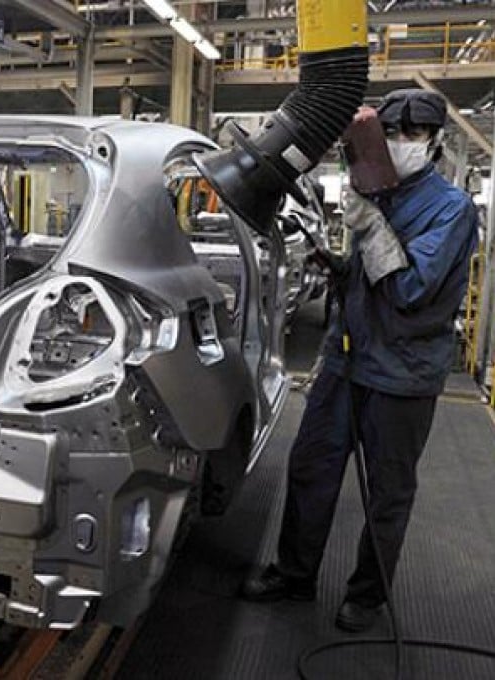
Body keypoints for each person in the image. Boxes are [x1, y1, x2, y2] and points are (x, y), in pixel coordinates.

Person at [240, 89, 479, 633]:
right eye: (391, 135)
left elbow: (411, 289)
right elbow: (369, 275)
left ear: (436, 142)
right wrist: (339, 262)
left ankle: (367, 597)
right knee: (311, 468)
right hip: (347, 358)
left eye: (413, 136)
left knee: (387, 492)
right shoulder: (379, 189)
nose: (401, 146)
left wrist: (368, 226)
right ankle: (295, 574)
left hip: (403, 373)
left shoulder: (451, 208)